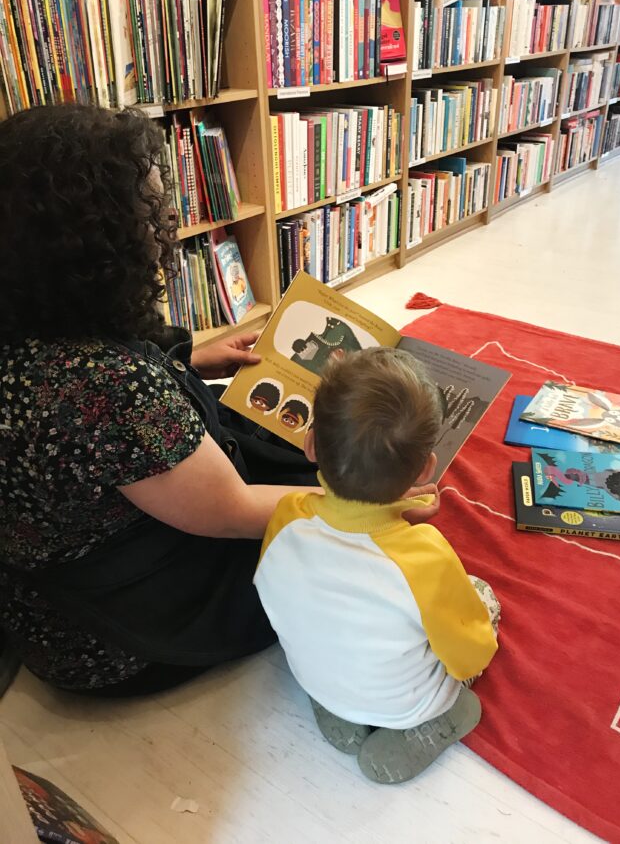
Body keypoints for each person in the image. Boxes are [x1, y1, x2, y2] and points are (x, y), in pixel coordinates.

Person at [0, 104, 438, 698]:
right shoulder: (105, 389)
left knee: (290, 439)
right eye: (148, 213)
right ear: (93, 242)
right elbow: (232, 509)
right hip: (116, 636)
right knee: (340, 526)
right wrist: (373, 503)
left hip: (61, 589)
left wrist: (190, 357)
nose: (165, 228)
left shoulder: (33, 320)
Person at [254, 347, 500, 784]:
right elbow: (470, 653)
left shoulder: (288, 515)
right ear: (426, 467)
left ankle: (340, 708)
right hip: (408, 703)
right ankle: (439, 720)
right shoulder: (425, 555)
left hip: (316, 676)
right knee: (479, 598)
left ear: (310, 445)